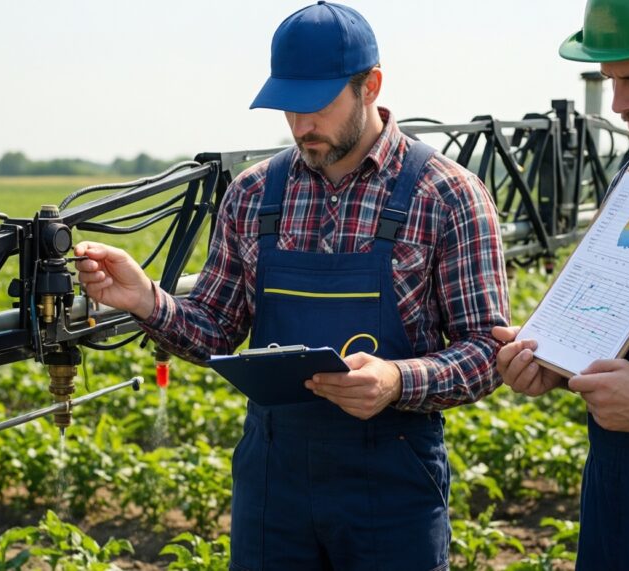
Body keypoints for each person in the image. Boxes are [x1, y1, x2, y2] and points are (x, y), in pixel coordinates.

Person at [76, 2, 508, 569]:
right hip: (273, 478)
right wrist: (146, 300)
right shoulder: (255, 194)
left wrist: (399, 380)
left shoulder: (446, 194)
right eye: (288, 105)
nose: (302, 124)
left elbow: (488, 350)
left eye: (319, 104)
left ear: (370, 86)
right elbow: (214, 328)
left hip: (392, 478)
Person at [493, 1, 629, 568]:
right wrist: (555, 357)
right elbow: (611, 325)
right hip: (617, 509)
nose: (618, 105)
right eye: (610, 80)